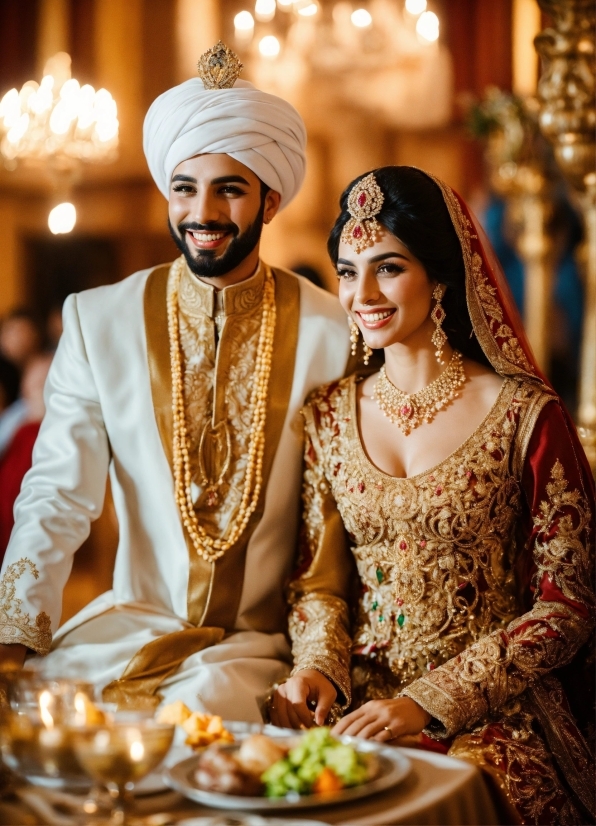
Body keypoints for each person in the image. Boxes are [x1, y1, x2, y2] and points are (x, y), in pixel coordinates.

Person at [0, 42, 351, 721]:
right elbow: (56, 497)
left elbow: (338, 523)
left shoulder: (333, 332)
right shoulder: (97, 321)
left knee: (202, 742)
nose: (203, 213)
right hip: (126, 628)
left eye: (229, 188)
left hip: (259, 648)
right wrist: (14, 633)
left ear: (270, 199)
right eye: (185, 188)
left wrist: (318, 659)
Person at [271, 167, 595, 824]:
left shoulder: (524, 417)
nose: (362, 293)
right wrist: (318, 671)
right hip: (359, 705)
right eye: (347, 270)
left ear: (442, 275)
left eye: (387, 267)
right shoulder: (327, 416)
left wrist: (429, 700)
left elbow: (569, 606)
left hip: (491, 713)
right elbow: (320, 586)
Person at [0, 353, 53, 561]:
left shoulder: (36, 432)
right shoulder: (17, 423)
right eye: (36, 381)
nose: (40, 388)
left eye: (46, 381)